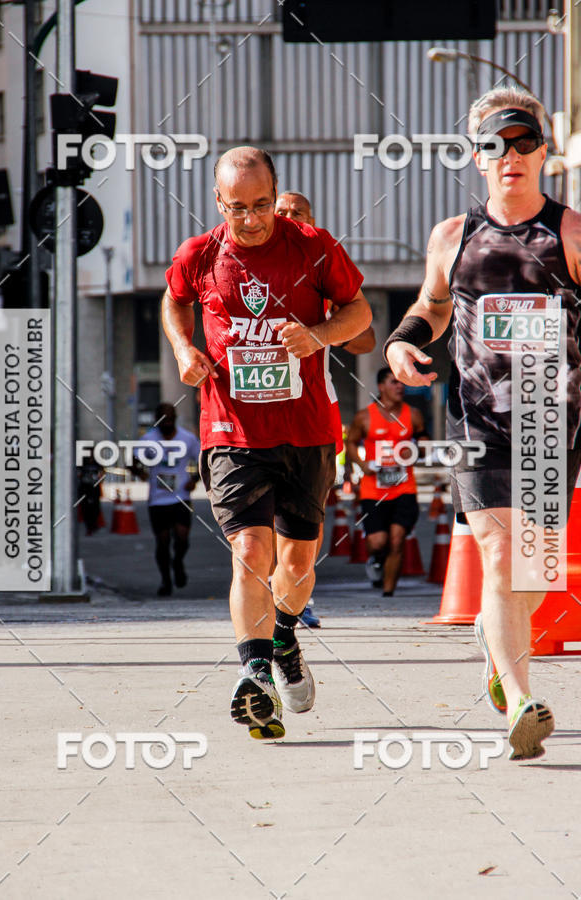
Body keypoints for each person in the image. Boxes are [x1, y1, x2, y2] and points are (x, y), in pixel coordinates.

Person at [384, 87, 581, 761]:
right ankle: (524, 704)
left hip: (553, 424)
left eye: (525, 142)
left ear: (544, 152)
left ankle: (497, 651)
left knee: (533, 573)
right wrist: (403, 341)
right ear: (478, 158)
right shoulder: (453, 237)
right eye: (498, 144)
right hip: (480, 422)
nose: (512, 156)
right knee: (499, 557)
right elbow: (432, 306)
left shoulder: (572, 235)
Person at [162, 147, 372, 740]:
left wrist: (317, 335)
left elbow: (359, 313)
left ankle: (284, 638)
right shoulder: (198, 254)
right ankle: (255, 676)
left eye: (260, 205)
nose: (251, 219)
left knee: (298, 562)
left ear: (275, 193)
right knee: (251, 550)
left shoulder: (313, 247)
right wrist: (184, 349)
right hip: (232, 430)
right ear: (217, 201)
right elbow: (174, 300)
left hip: (306, 432)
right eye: (238, 208)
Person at [275, 190, 376, 625]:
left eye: (299, 212)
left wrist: (323, 330)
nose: (290, 217)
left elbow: (366, 338)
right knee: (257, 518)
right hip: (255, 409)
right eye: (282, 211)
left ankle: (298, 596)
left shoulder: (320, 266)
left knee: (304, 511)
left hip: (316, 406)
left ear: (312, 220)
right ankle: (267, 597)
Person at [346, 368, 426, 596]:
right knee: (379, 542)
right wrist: (362, 466)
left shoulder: (414, 414)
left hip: (404, 487)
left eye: (401, 383)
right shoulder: (364, 416)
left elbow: (423, 437)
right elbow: (350, 442)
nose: (400, 386)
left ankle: (388, 592)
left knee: (398, 539)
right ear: (381, 387)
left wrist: (420, 446)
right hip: (374, 489)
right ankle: (376, 560)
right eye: (394, 382)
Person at [132, 403, 200, 596]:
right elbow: (132, 460)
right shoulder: (148, 440)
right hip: (157, 499)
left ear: (175, 418)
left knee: (182, 538)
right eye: (163, 419)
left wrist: (194, 479)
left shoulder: (187, 438)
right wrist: (140, 472)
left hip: (181, 497)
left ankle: (177, 562)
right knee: (162, 542)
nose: (167, 422)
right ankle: (166, 581)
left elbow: (205, 460)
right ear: (157, 421)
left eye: (170, 418)